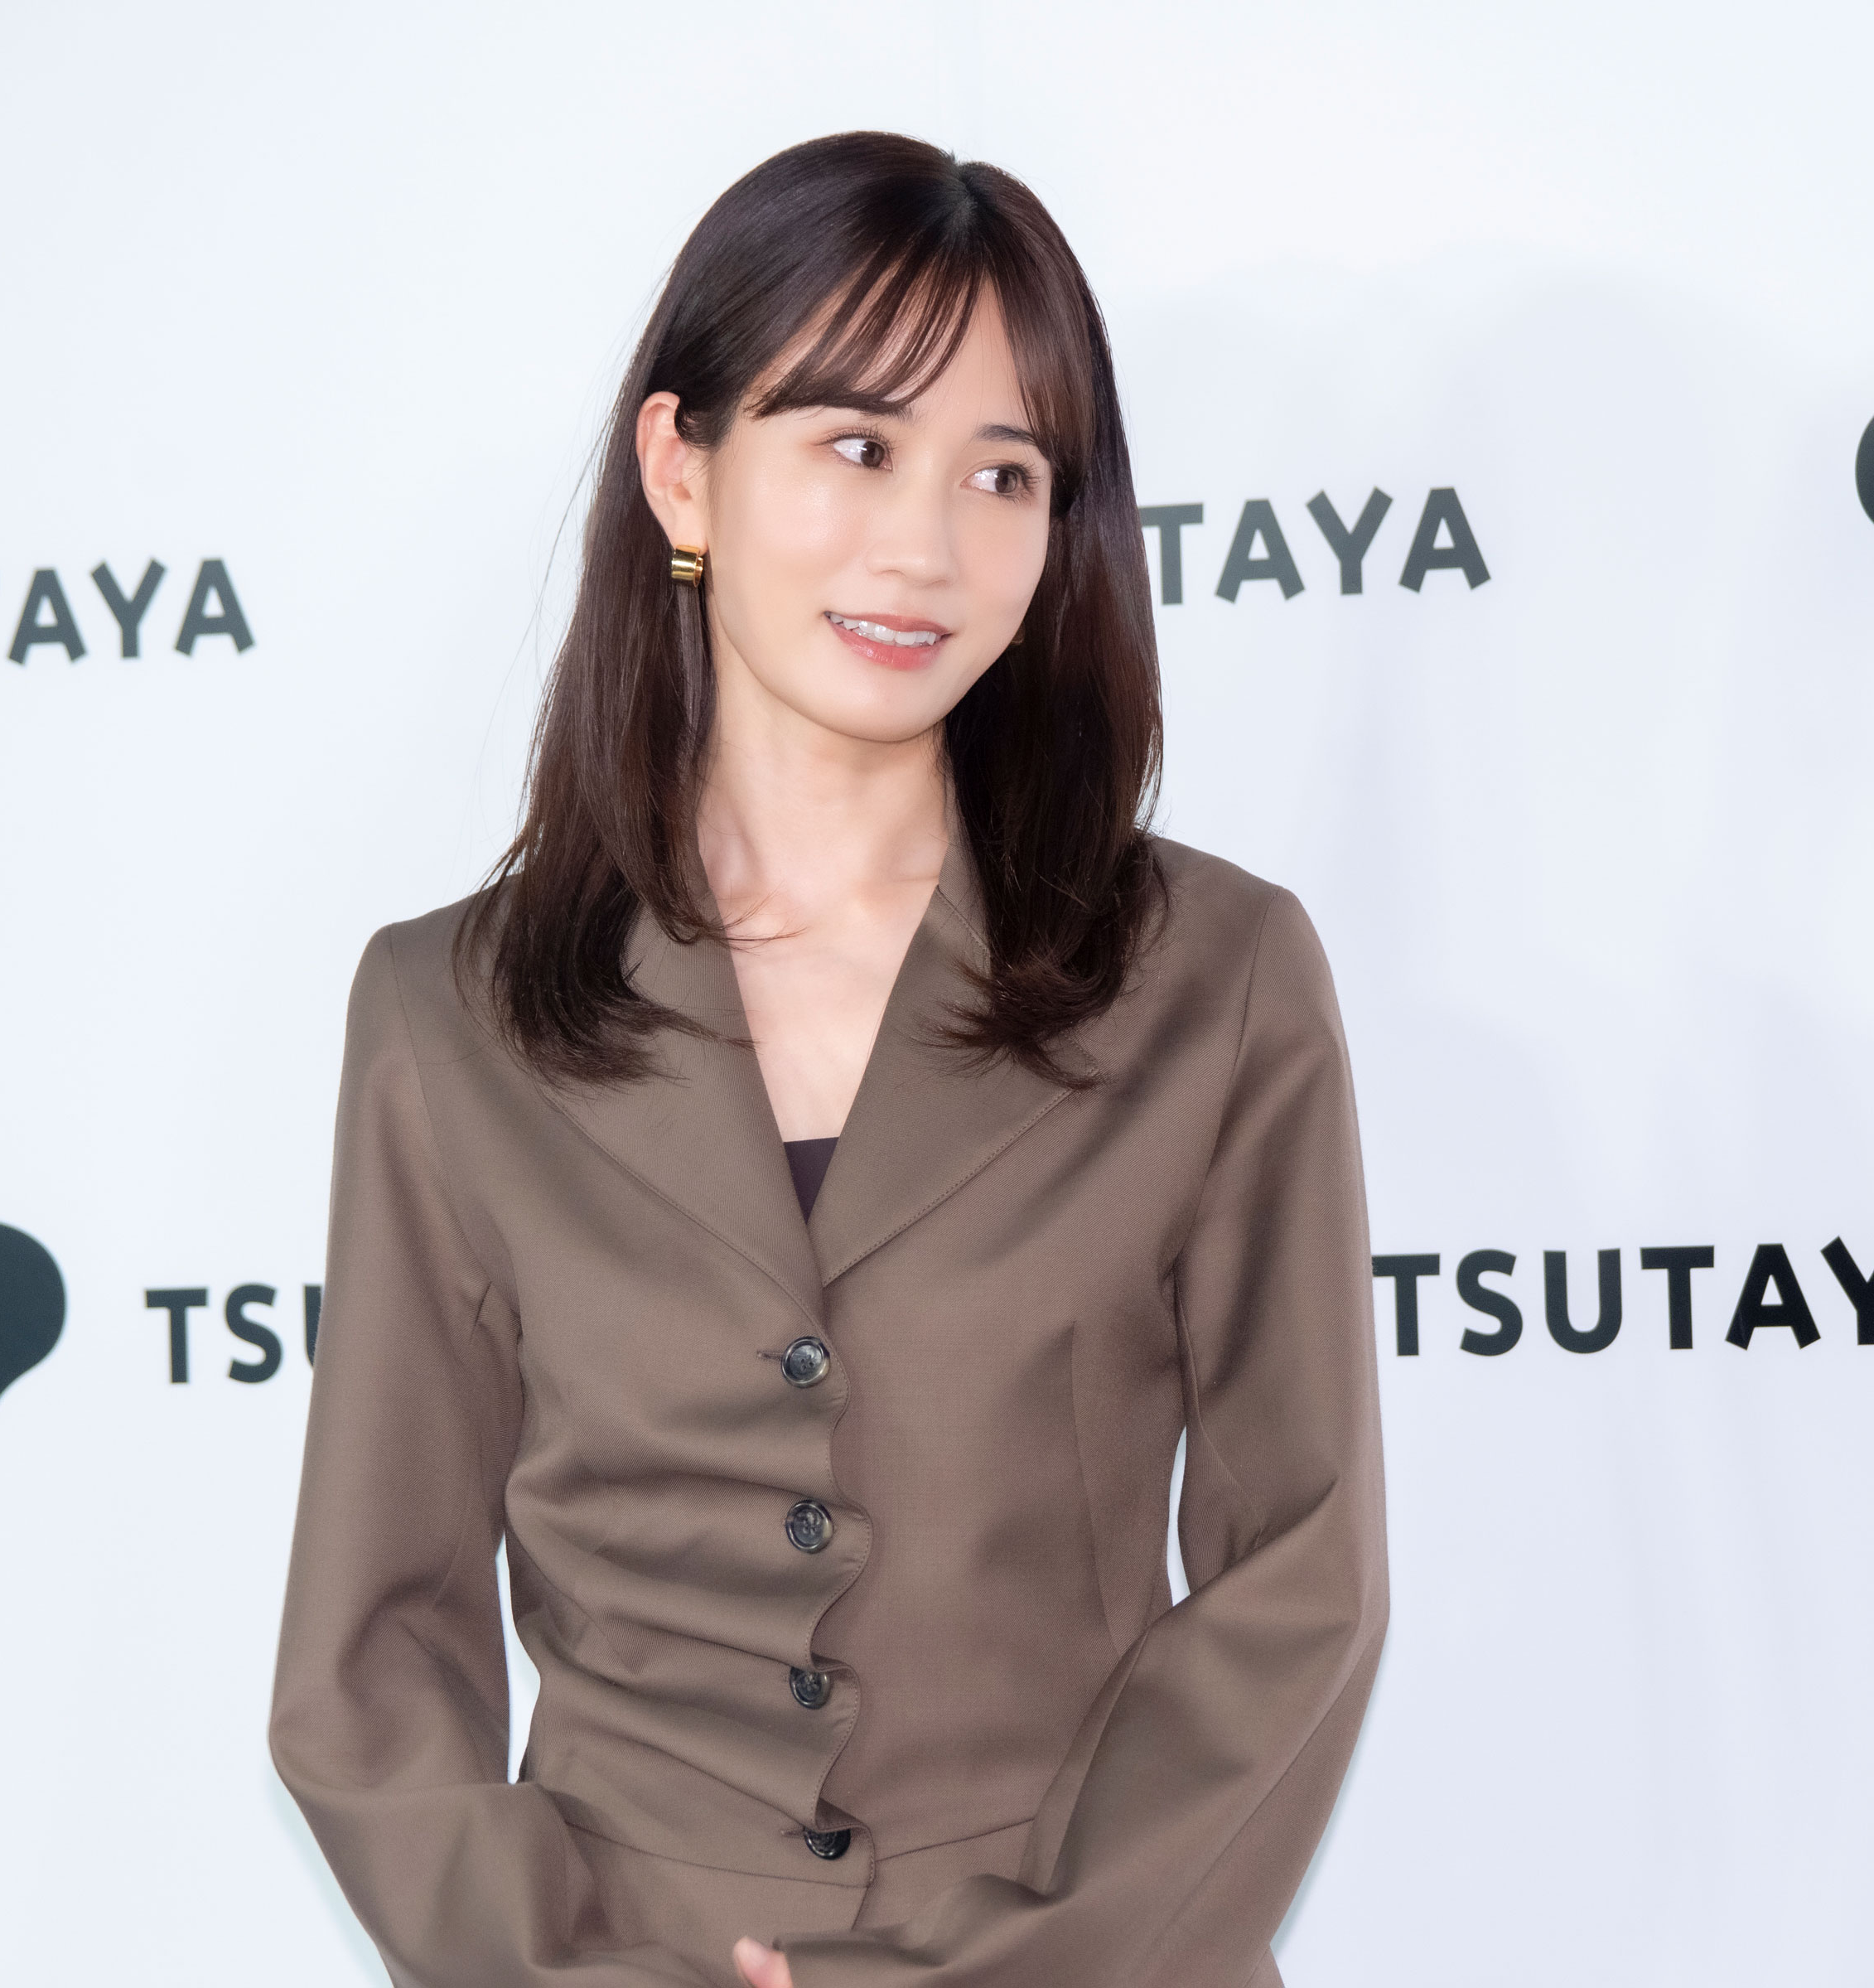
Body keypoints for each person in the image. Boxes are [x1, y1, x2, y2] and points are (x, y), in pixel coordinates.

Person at [270, 131, 1387, 1988]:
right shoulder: (447, 1013)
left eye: (1003, 473)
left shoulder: (1217, 977)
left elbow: (1304, 1579)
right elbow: (369, 1661)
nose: (925, 547)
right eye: (858, 447)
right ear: (681, 468)